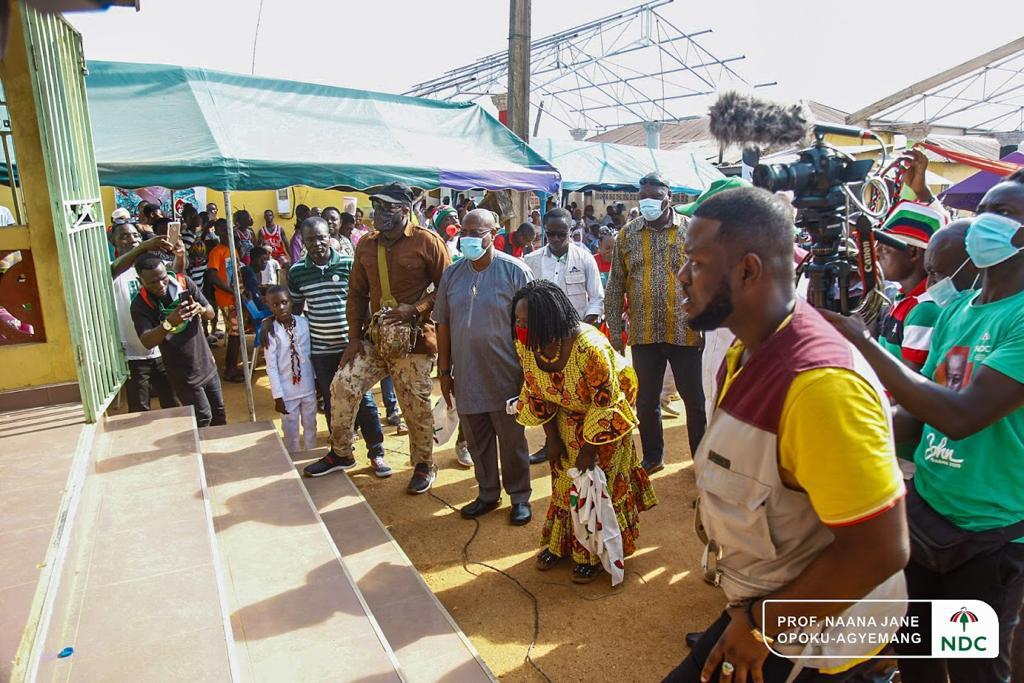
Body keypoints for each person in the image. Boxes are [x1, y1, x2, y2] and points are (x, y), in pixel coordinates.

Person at [664, 186, 909, 682]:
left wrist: (760, 627)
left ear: (748, 270)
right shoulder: (748, 351)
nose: (682, 276)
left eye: (696, 262)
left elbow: (879, 550)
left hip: (817, 643)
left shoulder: (818, 387)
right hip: (768, 605)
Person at [823, 171, 1024, 683]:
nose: (985, 223)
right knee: (917, 654)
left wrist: (863, 343)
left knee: (974, 665)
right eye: (985, 210)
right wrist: (847, 440)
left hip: (991, 529)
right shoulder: (958, 310)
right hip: (929, 512)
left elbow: (961, 417)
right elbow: (922, 417)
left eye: (1003, 214)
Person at [305, 183, 451, 494]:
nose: (379, 213)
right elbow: (356, 293)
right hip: (375, 339)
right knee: (342, 385)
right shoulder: (366, 246)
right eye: (376, 206)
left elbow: (448, 288)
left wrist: (416, 308)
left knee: (415, 404)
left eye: (388, 207)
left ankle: (425, 463)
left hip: (413, 342)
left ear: (405, 210)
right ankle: (341, 452)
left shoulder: (427, 242)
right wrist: (354, 338)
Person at [513, 280, 657, 583]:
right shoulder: (528, 345)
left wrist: (590, 451)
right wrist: (552, 440)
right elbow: (537, 391)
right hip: (566, 409)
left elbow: (605, 404)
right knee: (565, 478)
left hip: (605, 413)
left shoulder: (590, 348)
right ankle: (563, 545)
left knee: (596, 482)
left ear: (548, 321)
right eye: (517, 320)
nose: (520, 327)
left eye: (527, 322)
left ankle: (593, 553)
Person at [435, 209, 534, 524]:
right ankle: (488, 494)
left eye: (477, 232)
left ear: (495, 233)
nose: (469, 238)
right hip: (465, 374)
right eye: (464, 231)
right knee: (477, 441)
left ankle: (519, 497)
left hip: (506, 375)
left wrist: (530, 374)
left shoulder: (516, 271)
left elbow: (531, 325)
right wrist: (444, 370)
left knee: (512, 441)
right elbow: (443, 324)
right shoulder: (453, 274)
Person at [605, 173, 705, 473]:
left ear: (668, 198)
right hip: (644, 331)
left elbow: (706, 279)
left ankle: (700, 460)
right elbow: (616, 284)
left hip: (685, 330)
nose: (647, 203)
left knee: (694, 400)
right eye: (643, 197)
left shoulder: (691, 233)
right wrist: (615, 333)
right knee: (646, 400)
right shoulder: (628, 235)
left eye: (654, 197)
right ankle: (652, 456)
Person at [285, 217, 388, 476]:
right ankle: (343, 453)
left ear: (330, 235)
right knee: (332, 402)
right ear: (303, 241)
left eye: (321, 237)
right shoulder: (297, 272)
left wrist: (363, 337)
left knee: (362, 399)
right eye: (310, 239)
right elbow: (296, 309)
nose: (317, 244)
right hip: (320, 349)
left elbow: (362, 300)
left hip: (351, 346)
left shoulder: (347, 263)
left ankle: (377, 452)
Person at [131, 254, 226, 427]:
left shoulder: (184, 284)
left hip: (206, 364)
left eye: (163, 279)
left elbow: (211, 311)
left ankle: (218, 452)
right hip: (183, 374)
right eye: (152, 282)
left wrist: (201, 310)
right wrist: (168, 324)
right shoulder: (140, 305)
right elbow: (147, 341)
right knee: (203, 418)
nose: (160, 285)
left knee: (219, 414)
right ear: (140, 280)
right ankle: (204, 453)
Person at [110, 223, 181, 412]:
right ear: (113, 242)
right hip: (133, 354)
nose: (132, 239)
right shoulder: (113, 271)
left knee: (173, 402)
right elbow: (113, 270)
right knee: (139, 408)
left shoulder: (149, 268)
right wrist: (143, 246)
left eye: (135, 235)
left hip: (161, 348)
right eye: (125, 236)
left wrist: (180, 254)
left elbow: (176, 274)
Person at [876, 200, 947, 373]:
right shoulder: (904, 299)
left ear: (913, 252)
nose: (876, 253)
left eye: (884, 248)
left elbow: (908, 383)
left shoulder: (924, 309)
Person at [525, 208, 604, 323]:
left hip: (576, 333)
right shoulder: (530, 260)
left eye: (561, 234)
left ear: (570, 231)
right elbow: (524, 300)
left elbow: (597, 299)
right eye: (550, 234)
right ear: (545, 231)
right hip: (541, 334)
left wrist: (581, 330)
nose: (556, 239)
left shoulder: (585, 259)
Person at [264, 285, 317, 452]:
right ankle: (293, 461)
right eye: (275, 305)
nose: (281, 307)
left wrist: (317, 382)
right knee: (290, 432)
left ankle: (311, 457)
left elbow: (312, 355)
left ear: (291, 302)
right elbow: (271, 367)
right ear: (269, 307)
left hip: (308, 388)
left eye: (284, 302)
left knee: (311, 427)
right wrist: (277, 396)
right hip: (287, 393)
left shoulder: (304, 324)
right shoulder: (272, 332)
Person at [205, 219, 244, 382]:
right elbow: (213, 276)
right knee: (234, 333)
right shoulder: (217, 251)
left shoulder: (233, 249)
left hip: (236, 296)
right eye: (223, 230)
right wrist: (232, 291)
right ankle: (230, 369)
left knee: (237, 332)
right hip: (227, 298)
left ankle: (232, 366)